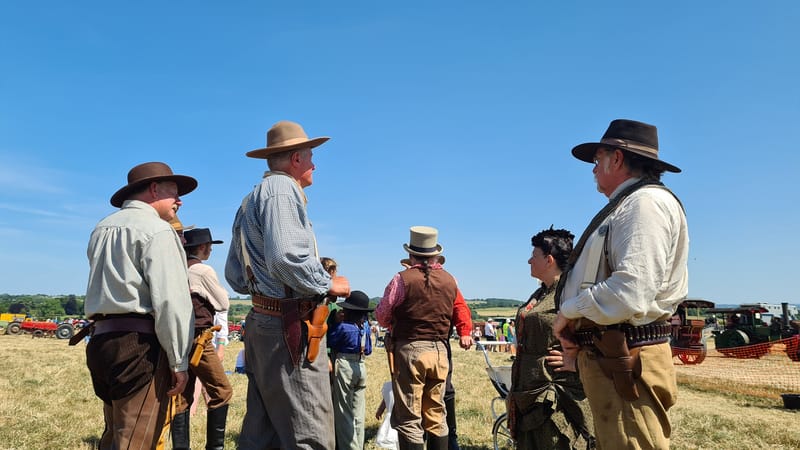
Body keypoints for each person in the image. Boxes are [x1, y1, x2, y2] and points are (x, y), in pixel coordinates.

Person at [553, 119, 689, 449]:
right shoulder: (632, 204)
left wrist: (569, 312)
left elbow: (631, 292)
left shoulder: (644, 204)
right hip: (615, 356)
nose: (593, 170)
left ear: (616, 159)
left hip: (626, 358)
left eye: (598, 160)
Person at [225, 120, 351, 449]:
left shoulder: (250, 199)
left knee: (262, 433)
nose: (314, 164)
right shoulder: (282, 190)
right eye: (310, 156)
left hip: (265, 323)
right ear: (295, 159)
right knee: (310, 433)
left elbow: (236, 276)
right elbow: (285, 259)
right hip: (288, 326)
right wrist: (328, 283)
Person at [83, 161, 196, 449]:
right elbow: (171, 302)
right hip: (139, 347)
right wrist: (178, 361)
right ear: (154, 188)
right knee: (135, 440)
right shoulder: (158, 231)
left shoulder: (101, 228)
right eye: (174, 192)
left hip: (100, 341)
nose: (179, 201)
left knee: (114, 433)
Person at [376, 226, 469, 450]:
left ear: (410, 254)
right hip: (440, 350)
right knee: (437, 414)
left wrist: (395, 324)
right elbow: (459, 308)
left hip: (410, 349)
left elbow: (382, 315)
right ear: (435, 254)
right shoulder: (450, 279)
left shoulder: (401, 279)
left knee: (409, 417)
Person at [509, 227, 594, 449]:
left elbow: (596, 334)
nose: (529, 261)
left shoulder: (571, 295)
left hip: (555, 392)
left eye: (534, 256)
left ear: (548, 260)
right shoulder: (541, 294)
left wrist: (578, 362)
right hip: (529, 387)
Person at [173, 227, 233, 450]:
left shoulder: (177, 268)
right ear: (200, 247)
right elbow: (222, 302)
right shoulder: (203, 270)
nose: (210, 249)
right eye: (209, 245)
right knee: (222, 391)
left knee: (182, 395)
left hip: (179, 338)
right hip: (200, 338)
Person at [327, 290, 374, 450]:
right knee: (358, 413)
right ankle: (358, 445)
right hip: (360, 365)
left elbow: (330, 340)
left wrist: (335, 323)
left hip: (345, 365)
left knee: (344, 413)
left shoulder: (344, 327)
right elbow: (368, 350)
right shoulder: (365, 328)